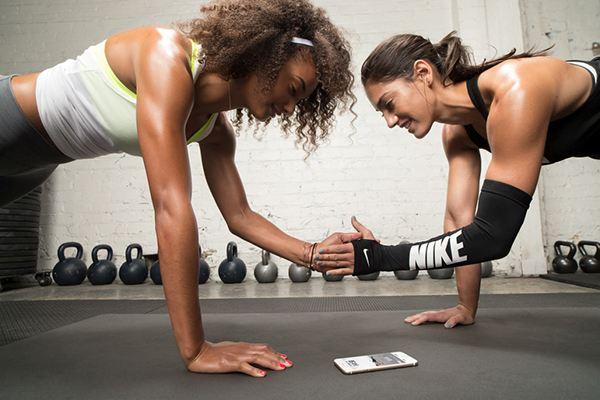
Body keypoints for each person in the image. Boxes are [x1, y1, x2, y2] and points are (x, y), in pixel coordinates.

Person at [0, 0, 360, 377]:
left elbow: (239, 215)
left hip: (32, 166)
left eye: (300, 102)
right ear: (266, 57)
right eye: (293, 88)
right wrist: (196, 350)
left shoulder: (215, 131)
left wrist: (312, 254)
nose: (289, 108)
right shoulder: (166, 57)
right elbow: (171, 206)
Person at [317, 31, 599, 328]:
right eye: (381, 113)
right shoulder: (458, 134)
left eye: (389, 103)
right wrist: (466, 306)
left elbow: (493, 236)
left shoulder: (515, 87)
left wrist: (379, 258)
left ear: (423, 73)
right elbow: (459, 223)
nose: (389, 121)